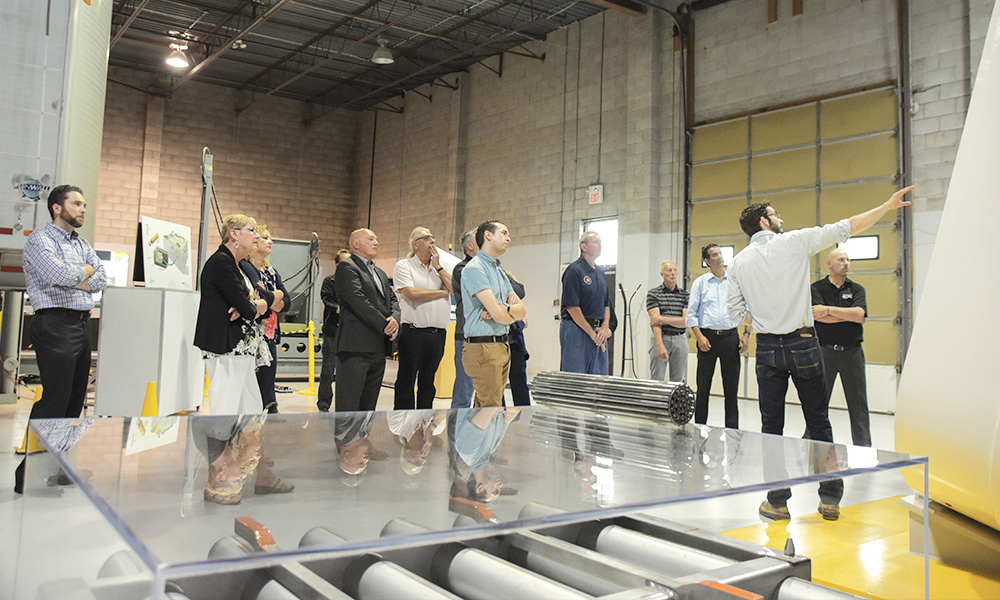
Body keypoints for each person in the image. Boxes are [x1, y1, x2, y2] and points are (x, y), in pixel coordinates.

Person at [727, 185, 913, 521]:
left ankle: (778, 501)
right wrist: (886, 206)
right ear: (765, 223)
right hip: (804, 342)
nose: (780, 218)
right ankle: (829, 498)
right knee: (819, 420)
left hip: (767, 349)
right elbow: (847, 227)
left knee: (772, 426)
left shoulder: (739, 263)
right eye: (775, 214)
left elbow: (733, 313)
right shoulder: (795, 242)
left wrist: (763, 311)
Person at [16, 184, 108, 494]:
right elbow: (60, 275)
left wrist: (80, 275)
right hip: (54, 324)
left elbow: (101, 278)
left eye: (84, 204)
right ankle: (27, 474)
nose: (84, 209)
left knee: (73, 403)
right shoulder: (39, 240)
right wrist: (81, 275)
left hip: (81, 326)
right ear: (57, 207)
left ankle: (58, 468)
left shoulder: (81, 243)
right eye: (77, 203)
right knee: (54, 399)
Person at [194, 215, 270, 415]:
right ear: (233, 234)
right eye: (251, 230)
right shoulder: (221, 263)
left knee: (250, 406)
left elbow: (257, 305)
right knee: (226, 406)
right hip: (225, 346)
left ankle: (237, 444)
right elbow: (250, 310)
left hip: (241, 348)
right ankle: (221, 445)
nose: (257, 236)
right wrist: (253, 306)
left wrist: (254, 305)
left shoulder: (237, 265)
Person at [460, 221, 526, 407]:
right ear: (488, 235)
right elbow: (499, 314)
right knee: (490, 408)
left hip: (501, 344)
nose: (509, 238)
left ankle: (478, 437)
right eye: (504, 233)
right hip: (484, 346)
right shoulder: (475, 268)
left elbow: (521, 309)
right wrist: (503, 310)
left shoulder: (497, 269)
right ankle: (473, 436)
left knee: (487, 407)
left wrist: (502, 309)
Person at [334, 229, 400, 412]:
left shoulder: (378, 272)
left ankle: (362, 439)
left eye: (376, 239)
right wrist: (385, 324)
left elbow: (393, 299)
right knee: (349, 404)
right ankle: (346, 440)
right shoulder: (347, 267)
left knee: (368, 405)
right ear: (355, 244)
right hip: (355, 347)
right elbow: (358, 302)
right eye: (370, 239)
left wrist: (395, 318)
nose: (376, 242)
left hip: (377, 347)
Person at [811, 248, 871, 447]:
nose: (846, 263)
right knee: (818, 402)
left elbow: (860, 316)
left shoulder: (857, 289)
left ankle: (863, 448)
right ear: (829, 264)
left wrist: (828, 310)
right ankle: (811, 443)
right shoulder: (817, 289)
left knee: (858, 404)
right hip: (825, 352)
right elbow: (816, 316)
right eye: (841, 260)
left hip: (852, 352)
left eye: (848, 260)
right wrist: (847, 314)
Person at [686, 244, 750, 428]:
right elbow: (692, 314)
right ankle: (699, 428)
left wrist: (746, 334)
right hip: (707, 339)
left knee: (731, 389)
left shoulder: (735, 281)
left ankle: (733, 431)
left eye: (720, 253)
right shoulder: (700, 283)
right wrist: (699, 337)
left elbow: (747, 308)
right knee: (703, 387)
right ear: (707, 261)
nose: (719, 257)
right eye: (714, 255)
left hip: (731, 338)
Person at [392, 227, 453, 410]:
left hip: (437, 334)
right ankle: (404, 421)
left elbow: (453, 288)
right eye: (427, 238)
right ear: (415, 244)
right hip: (413, 333)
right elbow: (411, 294)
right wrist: (441, 292)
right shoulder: (404, 266)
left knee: (429, 380)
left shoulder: (441, 267)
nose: (432, 242)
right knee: (406, 378)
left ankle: (424, 420)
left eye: (433, 238)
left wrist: (438, 267)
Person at [241, 224, 289, 413]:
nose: (270, 242)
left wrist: (272, 297)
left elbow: (287, 302)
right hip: (252, 334)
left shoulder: (272, 271)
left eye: (271, 238)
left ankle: (267, 410)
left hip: (270, 334)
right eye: (265, 237)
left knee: (268, 378)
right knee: (251, 382)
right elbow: (261, 294)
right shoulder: (245, 267)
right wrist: (274, 296)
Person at [560, 232, 612, 375]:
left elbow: (606, 303)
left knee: (598, 378)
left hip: (598, 331)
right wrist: (591, 333)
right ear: (583, 247)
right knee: (575, 378)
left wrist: (604, 327)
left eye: (600, 241)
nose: (600, 245)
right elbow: (572, 307)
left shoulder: (600, 272)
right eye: (595, 242)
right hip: (577, 329)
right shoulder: (574, 270)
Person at [318, 249, 351, 412]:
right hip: (332, 331)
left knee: (347, 371)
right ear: (337, 264)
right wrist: (344, 310)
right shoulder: (329, 282)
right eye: (344, 262)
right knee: (328, 369)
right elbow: (327, 300)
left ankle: (345, 404)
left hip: (350, 333)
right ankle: (323, 403)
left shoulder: (354, 283)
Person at [647, 261, 689, 382]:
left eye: (675, 270)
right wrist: (660, 345)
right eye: (669, 270)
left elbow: (685, 321)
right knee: (657, 379)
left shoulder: (685, 295)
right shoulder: (653, 294)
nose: (673, 273)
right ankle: (656, 401)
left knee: (678, 380)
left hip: (680, 338)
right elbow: (655, 322)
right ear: (662, 274)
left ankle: (674, 402)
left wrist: (662, 318)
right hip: (661, 337)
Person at [450, 230, 477, 409]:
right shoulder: (462, 269)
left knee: (484, 392)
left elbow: (519, 290)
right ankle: (456, 435)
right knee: (464, 392)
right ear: (470, 246)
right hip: (466, 336)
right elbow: (481, 295)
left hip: (487, 337)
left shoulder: (493, 268)